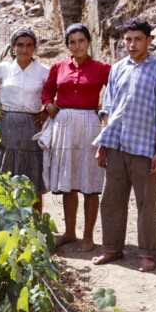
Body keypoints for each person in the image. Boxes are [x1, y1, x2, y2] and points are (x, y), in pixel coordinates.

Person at [92, 17, 156, 272]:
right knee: (111, 199)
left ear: (149, 40)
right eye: (128, 39)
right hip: (116, 144)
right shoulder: (117, 69)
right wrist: (102, 145)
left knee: (146, 204)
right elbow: (107, 109)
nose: (132, 44)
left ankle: (147, 254)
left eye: (138, 39)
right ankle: (111, 248)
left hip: (144, 147)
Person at [41, 23, 111, 252]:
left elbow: (114, 92)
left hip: (90, 125)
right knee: (68, 181)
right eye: (72, 42)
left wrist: (106, 114)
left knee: (90, 183)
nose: (77, 45)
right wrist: (48, 103)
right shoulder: (59, 66)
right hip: (64, 126)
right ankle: (69, 232)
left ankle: (88, 236)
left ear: (89, 42)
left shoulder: (102, 68)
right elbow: (47, 89)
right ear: (67, 45)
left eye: (81, 41)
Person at [0, 28, 49, 214]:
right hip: (6, 126)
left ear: (35, 48)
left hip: (32, 127)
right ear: (13, 47)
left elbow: (58, 92)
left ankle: (34, 224)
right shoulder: (3, 68)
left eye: (29, 45)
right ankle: (4, 221)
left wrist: (46, 110)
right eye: (20, 45)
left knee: (32, 181)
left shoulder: (43, 71)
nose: (24, 49)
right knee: (4, 176)